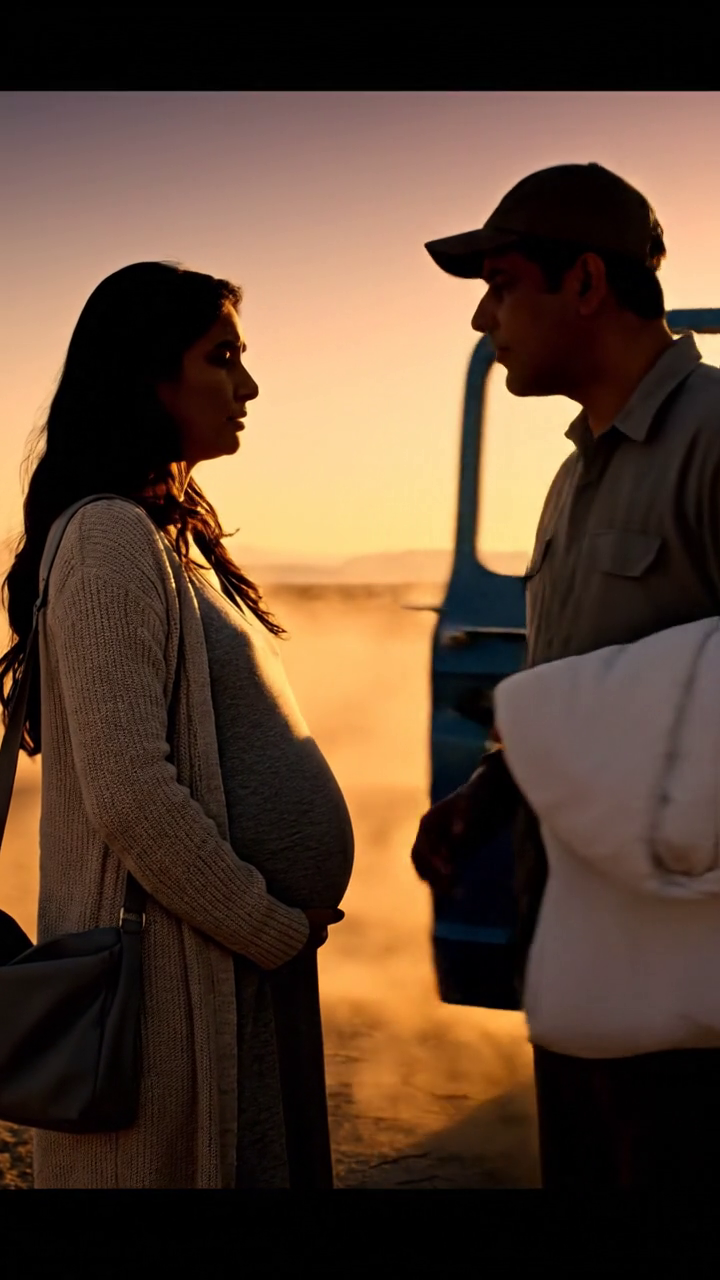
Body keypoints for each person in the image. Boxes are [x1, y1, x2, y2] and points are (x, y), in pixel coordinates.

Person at [0, 261, 354, 1189]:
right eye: (221, 358)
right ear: (149, 375)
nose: (248, 386)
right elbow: (130, 792)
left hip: (226, 966)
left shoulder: (167, 535)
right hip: (172, 985)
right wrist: (268, 928)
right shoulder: (110, 537)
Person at [414, 162, 720, 1188]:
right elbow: (584, 686)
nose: (484, 319)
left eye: (501, 286)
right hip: (576, 958)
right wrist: (494, 789)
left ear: (585, 282)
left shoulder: (715, 440)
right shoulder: (572, 476)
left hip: (688, 988)